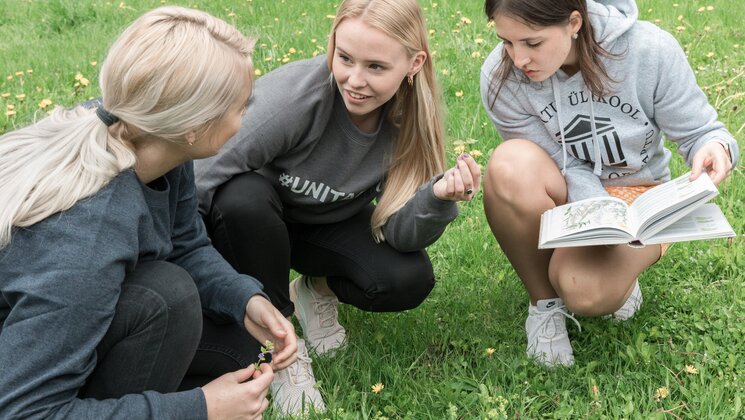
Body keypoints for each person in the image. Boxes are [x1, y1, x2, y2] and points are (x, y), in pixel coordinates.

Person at [0, 6, 298, 419]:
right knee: (167, 296)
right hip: (20, 381)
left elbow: (183, 241)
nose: (246, 116)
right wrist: (200, 409)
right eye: (242, 106)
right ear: (192, 126)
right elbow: (23, 412)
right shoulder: (88, 238)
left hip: (50, 331)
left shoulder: (143, 136)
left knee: (240, 350)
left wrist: (243, 298)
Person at [195, 0, 481, 413]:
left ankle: (312, 291)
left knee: (407, 278)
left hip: (318, 227)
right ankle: (280, 347)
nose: (354, 80)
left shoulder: (412, 121)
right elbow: (202, 178)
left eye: (376, 67)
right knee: (244, 198)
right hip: (244, 226)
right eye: (344, 58)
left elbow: (401, 232)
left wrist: (435, 200)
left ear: (414, 63)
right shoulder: (295, 98)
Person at [480, 0, 739, 367]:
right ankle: (544, 305)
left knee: (585, 291)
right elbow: (553, 160)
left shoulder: (650, 50)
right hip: (570, 189)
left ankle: (615, 274)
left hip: (640, 195)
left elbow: (702, 131)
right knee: (509, 164)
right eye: (506, 41)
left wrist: (715, 149)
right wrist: (600, 210)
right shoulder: (500, 75)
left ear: (573, 22)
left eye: (532, 43)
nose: (518, 58)